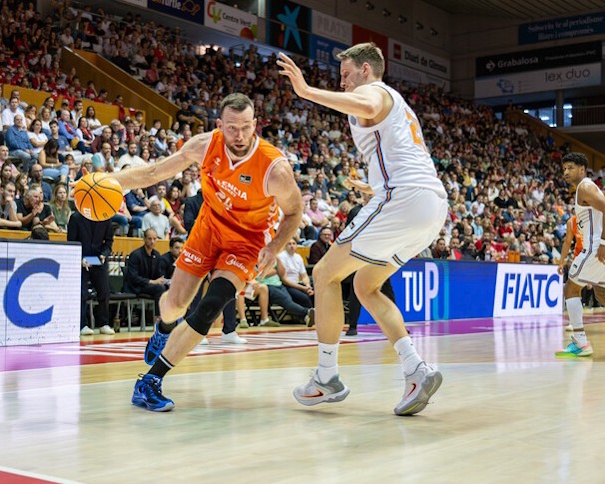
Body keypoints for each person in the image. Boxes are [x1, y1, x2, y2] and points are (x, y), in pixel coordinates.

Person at [278, 43, 448, 415]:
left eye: (346, 74)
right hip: (431, 205)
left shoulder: (375, 93)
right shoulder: (398, 104)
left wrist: (305, 91)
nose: (342, 82)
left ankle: (326, 377)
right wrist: (373, 187)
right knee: (365, 285)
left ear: (366, 70)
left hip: (404, 199)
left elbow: (368, 106)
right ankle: (415, 369)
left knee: (324, 273)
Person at [110, 93, 302, 411]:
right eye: (232, 127)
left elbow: (294, 212)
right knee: (175, 305)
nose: (239, 135)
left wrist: (273, 247)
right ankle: (163, 330)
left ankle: (150, 381)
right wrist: (108, 180)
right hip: (208, 230)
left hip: (247, 242)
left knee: (212, 305)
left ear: (255, 125)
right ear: (219, 125)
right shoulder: (204, 145)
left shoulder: (274, 169)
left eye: (246, 127)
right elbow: (153, 173)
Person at [556, 153, 605, 358]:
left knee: (570, 288)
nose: (566, 172)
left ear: (582, 169)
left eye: (570, 168)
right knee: (601, 294)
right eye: (564, 169)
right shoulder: (584, 189)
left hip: (595, 248)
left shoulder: (585, 187)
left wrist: (603, 243)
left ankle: (580, 342)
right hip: (596, 248)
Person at [67, 211, 115, 336]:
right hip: (81, 261)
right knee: (82, 293)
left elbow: (109, 242)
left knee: (104, 292)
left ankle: (104, 323)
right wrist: (79, 258)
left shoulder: (105, 218)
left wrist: (104, 254)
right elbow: (71, 241)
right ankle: (82, 325)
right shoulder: (76, 217)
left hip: (98, 260)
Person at [124, 228, 168, 316]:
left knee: (168, 287)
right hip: (136, 287)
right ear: (144, 239)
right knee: (159, 288)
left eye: (154, 239)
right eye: (149, 239)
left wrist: (163, 280)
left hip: (149, 286)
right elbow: (133, 278)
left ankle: (174, 317)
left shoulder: (156, 255)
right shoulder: (136, 255)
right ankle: (158, 317)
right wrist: (152, 281)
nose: (152, 241)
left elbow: (159, 274)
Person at [278, 238, 314, 310]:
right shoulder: (281, 257)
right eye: (289, 244)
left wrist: (308, 286)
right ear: (285, 246)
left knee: (315, 294)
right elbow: (284, 280)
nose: (292, 246)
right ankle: (308, 314)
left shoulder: (298, 257)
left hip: (298, 284)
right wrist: (303, 288)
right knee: (304, 298)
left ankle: (317, 314)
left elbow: (304, 276)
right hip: (287, 286)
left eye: (294, 244)